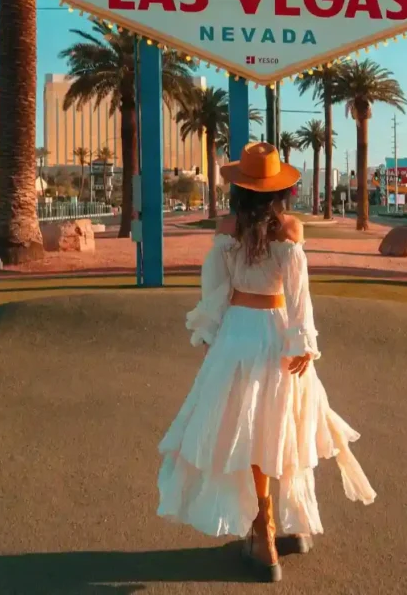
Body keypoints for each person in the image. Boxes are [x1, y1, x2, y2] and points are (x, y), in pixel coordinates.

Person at [157, 141, 376, 582]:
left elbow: (214, 287)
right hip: (278, 335)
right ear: (279, 191)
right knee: (283, 427)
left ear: (240, 189)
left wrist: (210, 332)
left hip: (239, 333)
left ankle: (265, 533)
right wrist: (302, 344)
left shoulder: (226, 227)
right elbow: (299, 296)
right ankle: (282, 527)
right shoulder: (292, 229)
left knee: (248, 432)